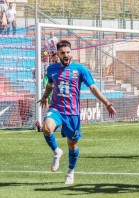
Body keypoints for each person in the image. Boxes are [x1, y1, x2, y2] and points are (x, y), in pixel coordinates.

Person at [37, 40, 116, 185]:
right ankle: (56, 151)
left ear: (71, 52)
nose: (66, 55)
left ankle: (70, 172)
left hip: (72, 114)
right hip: (56, 109)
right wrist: (44, 97)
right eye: (62, 53)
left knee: (72, 145)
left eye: (68, 52)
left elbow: (92, 88)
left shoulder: (80, 69)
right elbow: (49, 85)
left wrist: (107, 103)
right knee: (47, 128)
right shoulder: (52, 69)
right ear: (58, 54)